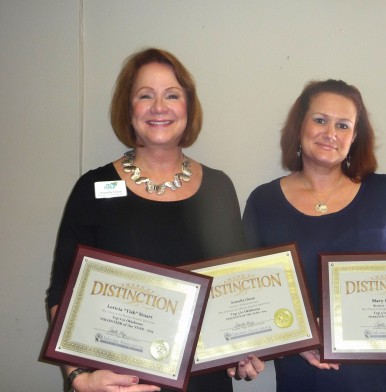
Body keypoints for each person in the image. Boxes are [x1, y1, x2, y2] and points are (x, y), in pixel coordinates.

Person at [46, 48, 263, 392]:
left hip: (203, 383)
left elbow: (232, 293)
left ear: (188, 108)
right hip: (122, 385)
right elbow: (62, 293)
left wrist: (243, 348)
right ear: (128, 109)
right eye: (145, 95)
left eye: (171, 95)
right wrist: (79, 378)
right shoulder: (95, 188)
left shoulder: (219, 187)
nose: (159, 107)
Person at [242, 79, 386, 392]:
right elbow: (253, 296)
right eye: (320, 120)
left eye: (343, 125)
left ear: (355, 137)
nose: (330, 133)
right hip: (307, 375)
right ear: (300, 126)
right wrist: (297, 339)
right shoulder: (263, 202)